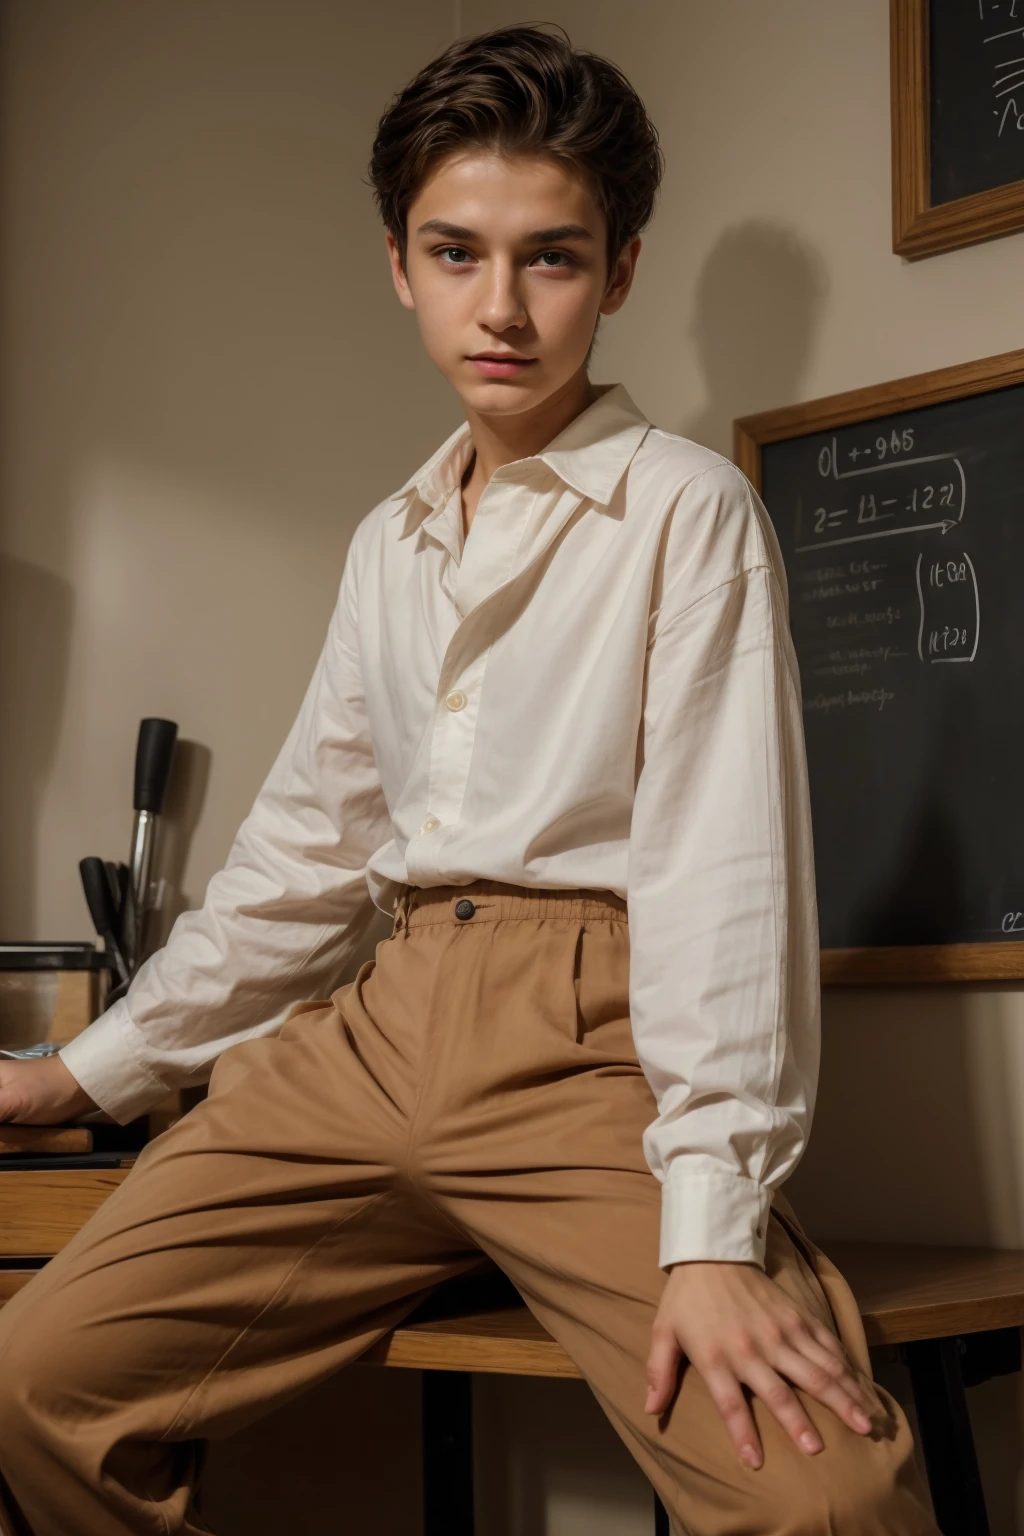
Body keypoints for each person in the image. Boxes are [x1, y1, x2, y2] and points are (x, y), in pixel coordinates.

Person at [0, 24, 939, 1536]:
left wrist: (710, 1230)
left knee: (825, 1504)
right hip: (370, 1039)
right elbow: (307, 855)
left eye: (552, 259)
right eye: (457, 253)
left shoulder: (685, 512)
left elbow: (727, 874)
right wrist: (85, 1070)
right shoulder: (392, 538)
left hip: (592, 1057)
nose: (500, 307)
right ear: (400, 264)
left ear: (619, 271)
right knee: (30, 1380)